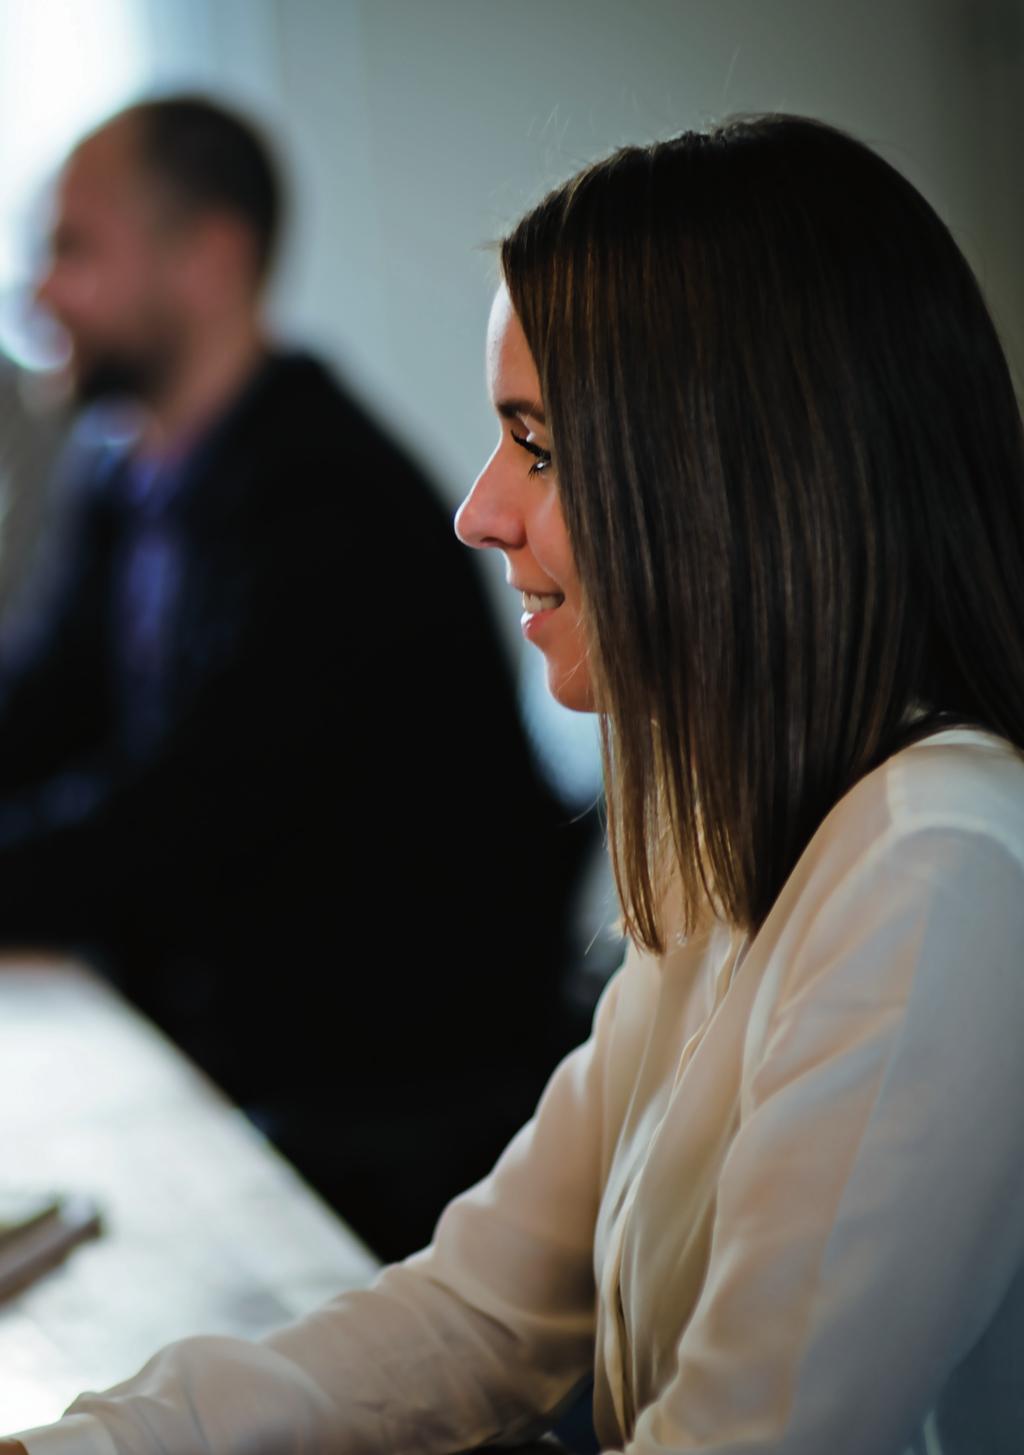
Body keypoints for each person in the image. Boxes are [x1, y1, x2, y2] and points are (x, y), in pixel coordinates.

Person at [6, 111, 1024, 1455]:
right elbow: (482, 1311)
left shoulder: (930, 866)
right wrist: (101, 1439)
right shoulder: (738, 844)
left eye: (535, 444)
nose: (478, 508)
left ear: (731, 471)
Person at [0, 96, 593, 1258]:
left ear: (211, 259)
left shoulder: (327, 500)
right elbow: (31, 720)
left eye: (75, 248)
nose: (40, 294)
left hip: (379, 1129)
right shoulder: (125, 473)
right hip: (231, 1069)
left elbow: (170, 825)